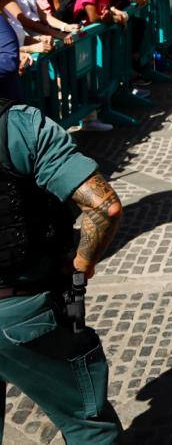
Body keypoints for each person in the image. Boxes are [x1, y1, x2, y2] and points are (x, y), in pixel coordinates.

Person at [0, 100, 126, 443]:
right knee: (89, 427)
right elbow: (104, 208)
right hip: (19, 310)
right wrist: (82, 265)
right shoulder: (17, 126)